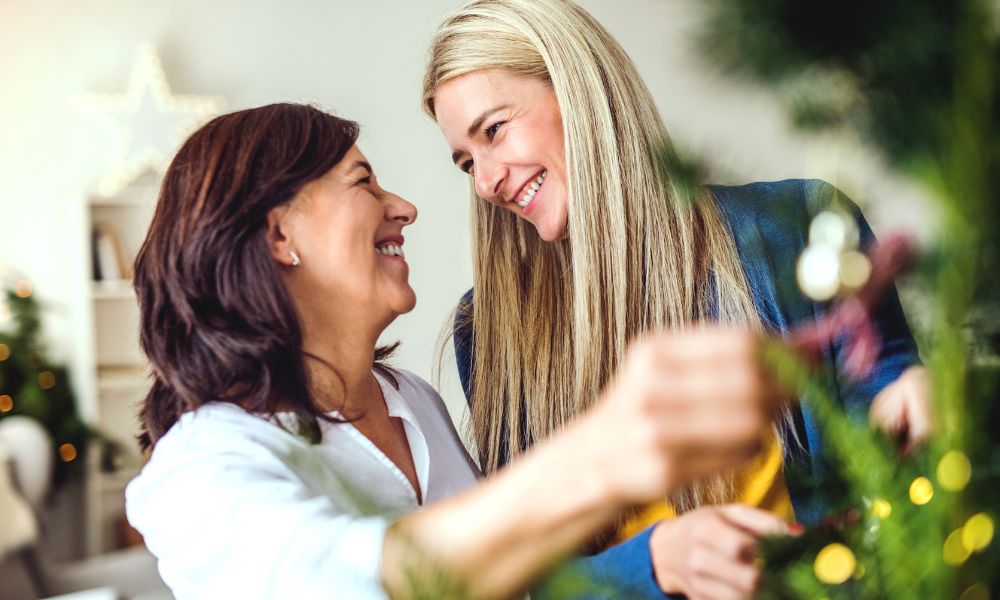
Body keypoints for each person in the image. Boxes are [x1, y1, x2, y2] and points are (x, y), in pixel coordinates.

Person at [124, 103, 788, 600]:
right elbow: (351, 579)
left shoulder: (412, 400)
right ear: (279, 234)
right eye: (364, 184)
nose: (404, 208)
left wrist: (657, 557)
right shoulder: (200, 468)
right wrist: (607, 451)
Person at [422, 0, 929, 597]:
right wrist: (657, 561)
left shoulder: (797, 225)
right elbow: (532, 575)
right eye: (465, 161)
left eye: (494, 130)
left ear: (579, 90)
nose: (484, 182)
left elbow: (891, 409)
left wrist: (917, 396)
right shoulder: (487, 330)